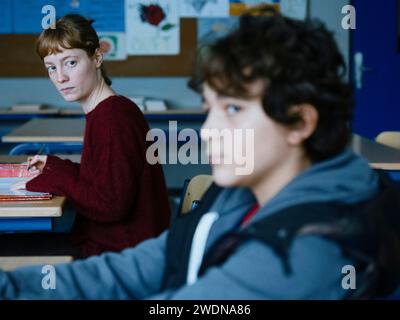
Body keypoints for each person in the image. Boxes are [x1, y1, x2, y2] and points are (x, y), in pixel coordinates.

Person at [2, 12, 400, 299]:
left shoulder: (306, 251)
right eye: (209, 108)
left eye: (232, 109)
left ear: (299, 122)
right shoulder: (236, 194)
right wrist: (14, 286)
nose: (208, 132)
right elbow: (147, 264)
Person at [11, 14, 171, 257]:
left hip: (122, 254)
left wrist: (53, 179)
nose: (60, 77)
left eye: (70, 63)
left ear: (97, 57)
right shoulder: (109, 110)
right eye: (51, 67)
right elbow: (101, 181)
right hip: (125, 244)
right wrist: (53, 166)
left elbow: (109, 204)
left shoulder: (112, 117)